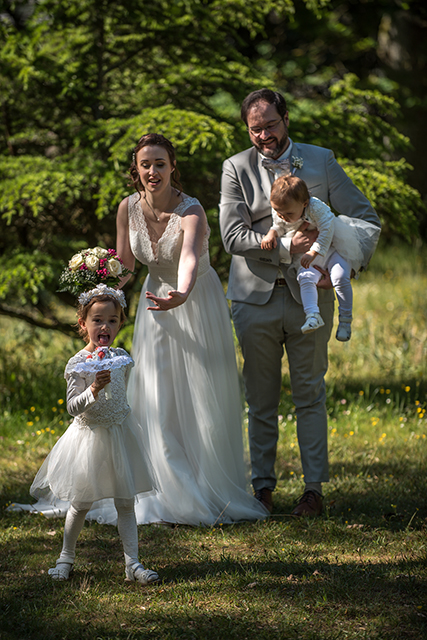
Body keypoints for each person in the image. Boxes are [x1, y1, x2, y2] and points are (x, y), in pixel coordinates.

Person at [219, 88, 381, 516]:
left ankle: (313, 491)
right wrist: (288, 248)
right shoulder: (234, 168)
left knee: (310, 393)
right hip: (253, 298)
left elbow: (364, 219)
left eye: (270, 125)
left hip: (313, 294)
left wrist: (337, 264)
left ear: (286, 118)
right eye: (255, 129)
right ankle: (262, 489)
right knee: (261, 398)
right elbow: (232, 236)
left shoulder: (321, 159)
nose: (263, 136)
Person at [111, 133, 268, 526]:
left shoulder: (191, 210)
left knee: (200, 395)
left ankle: (203, 485)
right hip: (154, 303)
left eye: (160, 164)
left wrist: (181, 292)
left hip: (194, 300)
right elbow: (126, 266)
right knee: (157, 392)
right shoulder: (126, 208)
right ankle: (164, 490)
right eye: (145, 164)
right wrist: (101, 288)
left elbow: (190, 259)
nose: (152, 172)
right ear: (137, 168)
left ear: (172, 166)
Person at [30, 284, 160, 584]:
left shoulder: (121, 358)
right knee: (81, 502)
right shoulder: (78, 363)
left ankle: (133, 564)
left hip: (119, 435)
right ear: (83, 323)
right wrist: (93, 389)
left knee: (126, 502)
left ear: (120, 323)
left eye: (112, 320)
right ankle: (66, 557)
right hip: (88, 439)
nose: (105, 326)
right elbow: (73, 407)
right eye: (98, 320)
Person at [261, 174, 380, 340]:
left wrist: (313, 251)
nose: (282, 216)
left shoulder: (316, 207)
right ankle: (312, 316)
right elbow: (278, 225)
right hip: (307, 253)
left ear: (304, 204)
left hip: (333, 248)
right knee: (305, 277)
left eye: (287, 213)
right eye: (277, 211)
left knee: (340, 276)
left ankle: (345, 320)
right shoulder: (282, 210)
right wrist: (271, 234)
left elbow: (327, 229)